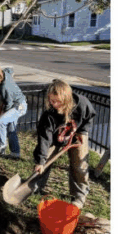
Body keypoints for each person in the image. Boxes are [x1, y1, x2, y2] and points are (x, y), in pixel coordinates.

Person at [31, 79, 97, 209]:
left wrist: (82, 131)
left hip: (77, 134)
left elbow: (89, 116)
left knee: (80, 164)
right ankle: (36, 186)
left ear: (67, 98)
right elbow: (44, 139)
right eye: (51, 100)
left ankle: (79, 195)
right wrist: (40, 161)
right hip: (55, 138)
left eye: (57, 101)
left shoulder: (82, 104)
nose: (54, 104)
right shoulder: (48, 116)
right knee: (45, 160)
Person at [0, 65, 27, 159]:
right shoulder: (4, 73)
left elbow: (8, 104)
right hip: (16, 104)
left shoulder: (5, 87)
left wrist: (2, 113)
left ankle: (2, 146)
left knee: (1, 121)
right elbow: (9, 70)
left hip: (19, 107)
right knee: (11, 130)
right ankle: (15, 154)